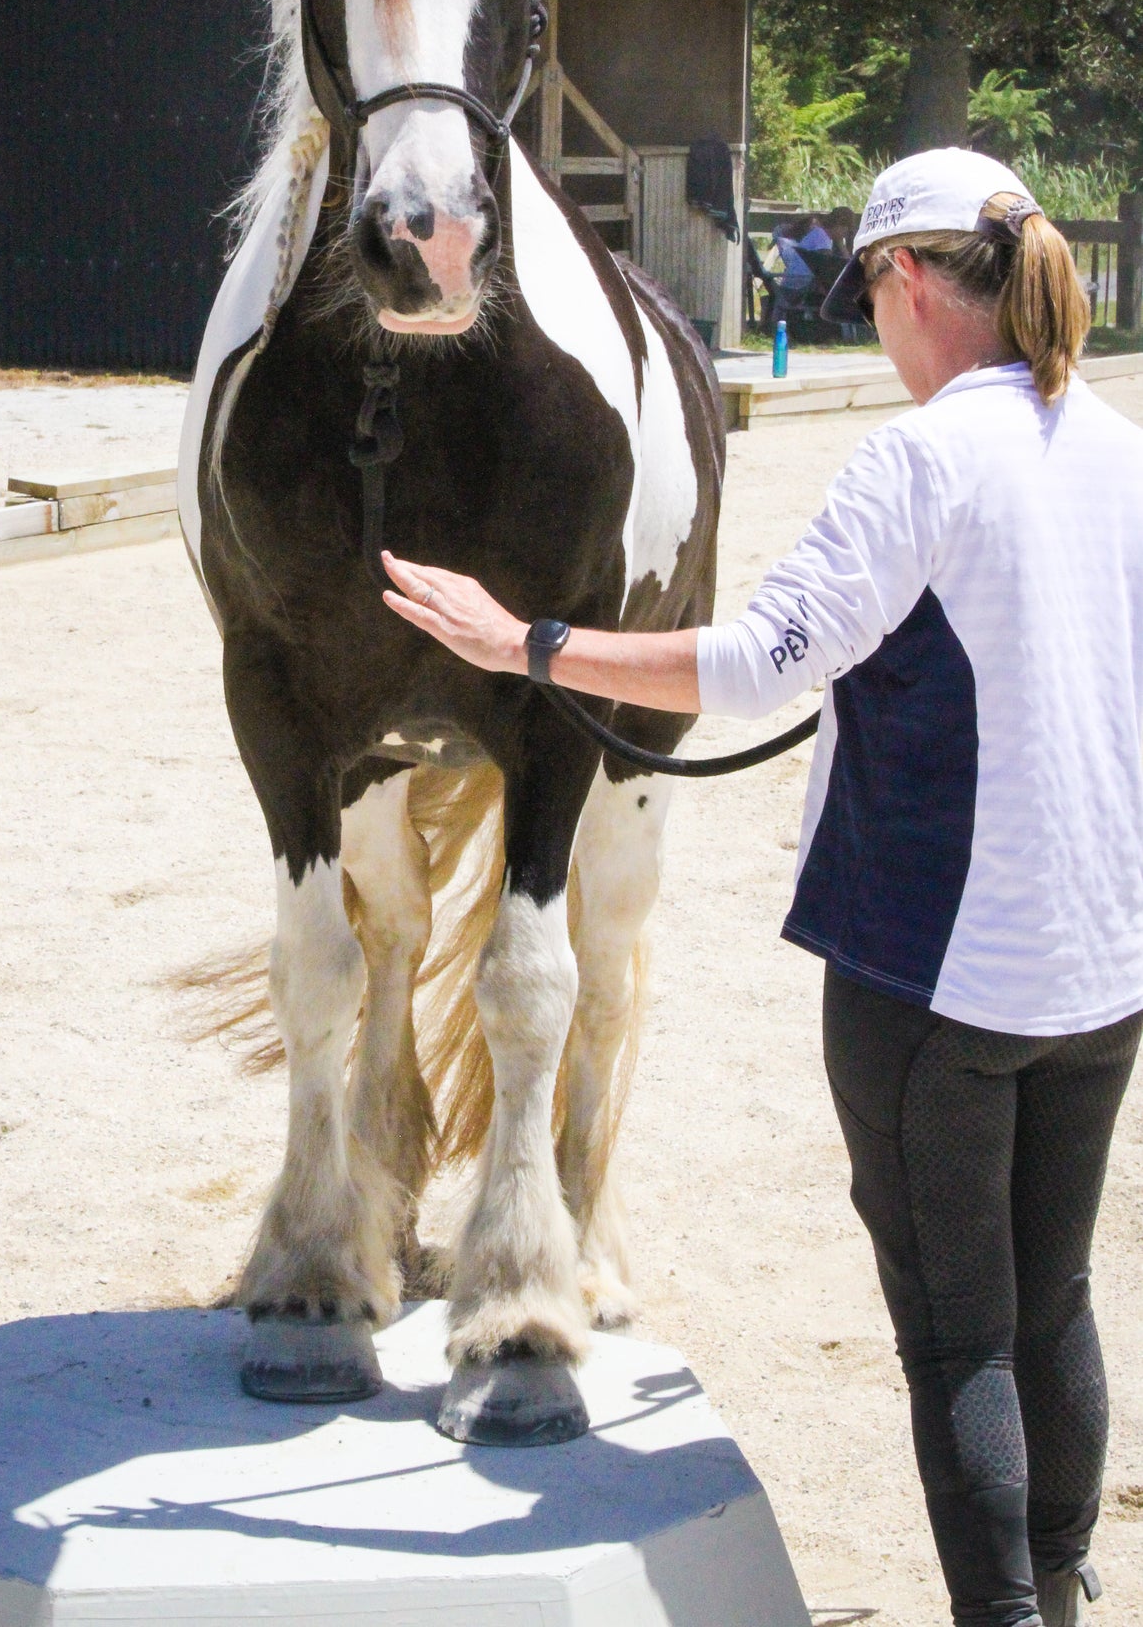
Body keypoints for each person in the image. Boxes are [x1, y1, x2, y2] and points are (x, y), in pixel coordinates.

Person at [382, 146, 1143, 1627]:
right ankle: (1060, 1591)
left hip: (938, 976)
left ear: (909, 280)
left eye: (872, 292)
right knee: (1051, 1301)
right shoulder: (1113, 443)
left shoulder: (921, 454)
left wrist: (525, 647)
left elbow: (753, 664)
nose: (878, 322)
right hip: (1103, 970)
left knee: (957, 1344)